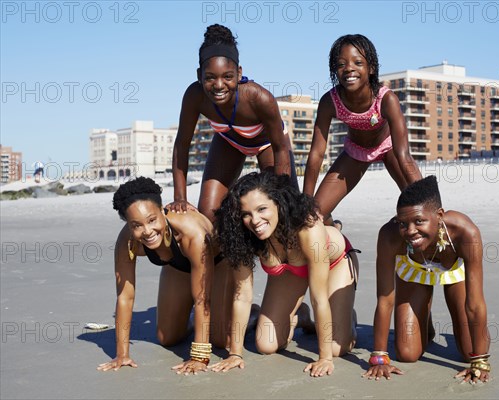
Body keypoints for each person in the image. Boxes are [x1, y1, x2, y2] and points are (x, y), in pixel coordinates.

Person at [211, 171, 358, 377]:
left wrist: (324, 358)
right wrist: (236, 354)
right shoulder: (244, 237)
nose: (255, 220)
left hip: (335, 263)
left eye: (262, 209)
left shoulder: (307, 228)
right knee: (266, 344)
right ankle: (299, 314)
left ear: (278, 203)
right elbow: (242, 295)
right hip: (292, 272)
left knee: (335, 349)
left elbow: (319, 297)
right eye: (246, 214)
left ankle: (347, 318)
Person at [97, 177, 233, 375]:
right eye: (137, 225)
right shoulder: (127, 241)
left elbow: (203, 298)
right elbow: (125, 297)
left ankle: (249, 314)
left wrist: (199, 357)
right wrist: (122, 354)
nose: (147, 231)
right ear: (128, 224)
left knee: (221, 340)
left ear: (162, 210)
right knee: (167, 337)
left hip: (218, 263)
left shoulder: (191, 234)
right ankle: (196, 319)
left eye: (152, 220)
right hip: (178, 266)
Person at [362, 176, 491, 383]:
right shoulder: (389, 235)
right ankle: (423, 321)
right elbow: (385, 299)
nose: (410, 231)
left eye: (419, 221)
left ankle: (434, 321)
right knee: (407, 354)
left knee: (470, 352)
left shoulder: (466, 233)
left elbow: (474, 304)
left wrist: (480, 362)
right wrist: (379, 357)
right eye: (403, 223)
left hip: (453, 271)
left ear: (439, 215)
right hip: (414, 271)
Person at [168, 24, 296, 220]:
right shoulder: (194, 96)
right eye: (210, 78)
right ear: (199, 76)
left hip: (268, 145)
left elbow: (280, 148)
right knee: (209, 213)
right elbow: (182, 145)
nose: (219, 85)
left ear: (238, 73)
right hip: (229, 143)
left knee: (284, 211)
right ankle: (232, 248)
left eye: (227, 77)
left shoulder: (259, 98)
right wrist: (180, 198)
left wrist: (283, 196)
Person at [303, 34, 422, 224]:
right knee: (313, 216)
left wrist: (427, 200)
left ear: (371, 68)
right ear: (335, 70)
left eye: (358, 62)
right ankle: (336, 236)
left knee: (420, 209)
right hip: (355, 152)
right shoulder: (329, 101)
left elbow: (404, 156)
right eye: (341, 64)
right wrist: (305, 200)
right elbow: (317, 154)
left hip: (389, 148)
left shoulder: (386, 99)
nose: (349, 68)